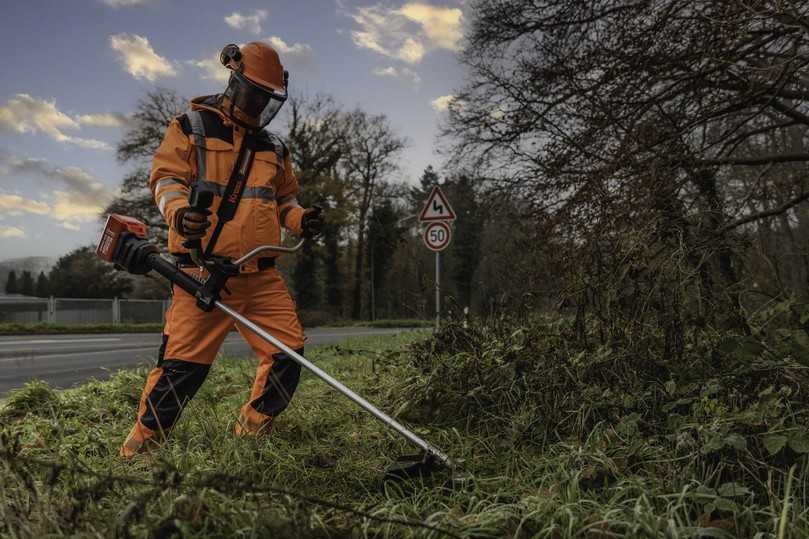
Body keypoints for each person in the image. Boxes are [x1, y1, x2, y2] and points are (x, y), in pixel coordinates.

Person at [121, 42, 323, 457]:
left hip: (260, 277)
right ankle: (139, 450)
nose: (258, 104)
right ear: (233, 79)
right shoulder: (190, 127)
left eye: (266, 98)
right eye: (253, 94)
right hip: (199, 275)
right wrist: (179, 214)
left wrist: (303, 220)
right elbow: (165, 181)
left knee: (288, 355)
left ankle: (250, 432)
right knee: (182, 370)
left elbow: (285, 202)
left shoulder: (274, 148)